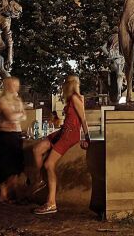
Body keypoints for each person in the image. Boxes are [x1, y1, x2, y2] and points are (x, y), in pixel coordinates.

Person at [31, 75, 90, 214]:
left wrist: (87, 138)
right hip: (63, 131)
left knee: (49, 164)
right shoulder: (71, 99)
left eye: (65, 84)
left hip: (69, 134)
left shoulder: (75, 98)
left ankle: (51, 203)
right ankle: (40, 180)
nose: (63, 86)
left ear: (69, 85)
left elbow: (83, 119)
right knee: (37, 149)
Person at [0, 76, 27, 203]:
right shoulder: (2, 100)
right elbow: (11, 117)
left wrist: (17, 116)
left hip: (16, 134)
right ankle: (4, 192)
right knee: (8, 166)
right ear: (8, 86)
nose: (17, 88)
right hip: (6, 136)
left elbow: (23, 117)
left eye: (17, 85)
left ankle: (9, 192)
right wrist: (19, 115)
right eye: (14, 85)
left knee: (17, 166)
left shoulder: (17, 100)